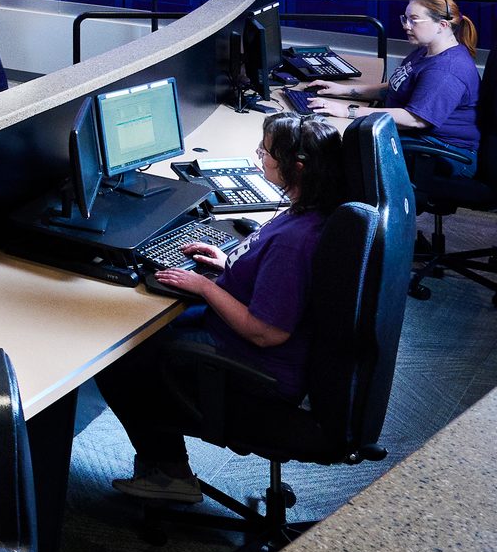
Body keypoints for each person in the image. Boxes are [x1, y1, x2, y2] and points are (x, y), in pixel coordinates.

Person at [96, 112, 346, 503]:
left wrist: (203, 286)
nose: (260, 156)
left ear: (297, 167)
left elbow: (267, 332)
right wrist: (227, 263)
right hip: (243, 339)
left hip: (257, 366)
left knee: (122, 360)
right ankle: (164, 461)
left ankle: (170, 475)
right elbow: (268, 276)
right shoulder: (310, 212)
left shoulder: (296, 242)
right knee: (151, 333)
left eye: (267, 152)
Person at [304, 0, 480, 176]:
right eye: (405, 19)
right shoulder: (426, 51)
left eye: (414, 20)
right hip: (419, 140)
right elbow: (395, 87)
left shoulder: (446, 71)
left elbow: (415, 119)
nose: (406, 26)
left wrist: (348, 111)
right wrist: (344, 90)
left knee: (334, 147)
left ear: (442, 25)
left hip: (440, 153)